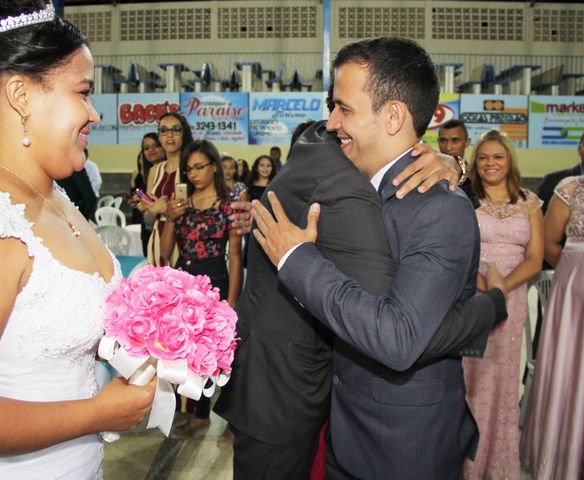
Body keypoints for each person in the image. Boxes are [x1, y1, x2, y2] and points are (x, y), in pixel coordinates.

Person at [216, 37, 507, 480]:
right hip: (340, 432)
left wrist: (296, 257)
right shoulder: (345, 178)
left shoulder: (440, 209)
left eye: (344, 109)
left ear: (393, 116)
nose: (331, 123)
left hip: (402, 447)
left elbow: (397, 338)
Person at [0, 2, 155, 478]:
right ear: (20, 95)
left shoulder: (54, 197)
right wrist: (99, 413)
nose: (94, 114)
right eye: (82, 93)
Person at [461, 130, 543, 480]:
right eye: (483, 157)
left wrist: (502, 291)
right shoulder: (465, 200)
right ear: (475, 164)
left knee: (505, 381)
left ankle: (497, 466)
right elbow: (459, 252)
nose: (490, 163)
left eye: (497, 157)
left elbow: (535, 258)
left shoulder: (530, 202)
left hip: (511, 299)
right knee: (472, 379)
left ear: (509, 161)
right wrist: (486, 291)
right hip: (473, 296)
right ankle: (466, 463)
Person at [160, 140, 242, 437]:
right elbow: (166, 253)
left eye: (199, 167)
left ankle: (234, 417)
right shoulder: (182, 205)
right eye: (188, 169)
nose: (193, 174)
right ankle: (201, 414)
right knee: (191, 352)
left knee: (222, 352)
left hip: (215, 279)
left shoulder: (226, 205)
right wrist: (171, 218)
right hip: (185, 280)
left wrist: (232, 298)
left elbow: (234, 255)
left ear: (213, 167)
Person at [520, 174, 584, 480]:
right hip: (575, 296)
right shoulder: (571, 188)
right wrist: (575, 274)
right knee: (571, 369)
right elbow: (548, 244)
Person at [141, 112, 193, 265]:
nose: (169, 135)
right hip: (158, 238)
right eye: (163, 130)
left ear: (184, 133)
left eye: (176, 129)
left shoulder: (191, 167)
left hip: (185, 240)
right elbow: (148, 220)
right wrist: (152, 211)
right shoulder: (154, 171)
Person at [130, 132, 164, 255]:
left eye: (156, 146)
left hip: (167, 229)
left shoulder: (172, 172)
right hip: (149, 228)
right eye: (147, 148)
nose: (151, 150)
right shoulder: (146, 175)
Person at [437, 119, 480, 208]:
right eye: (444, 141)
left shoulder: (479, 175)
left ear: (467, 142)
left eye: (455, 141)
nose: (448, 147)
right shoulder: (429, 174)